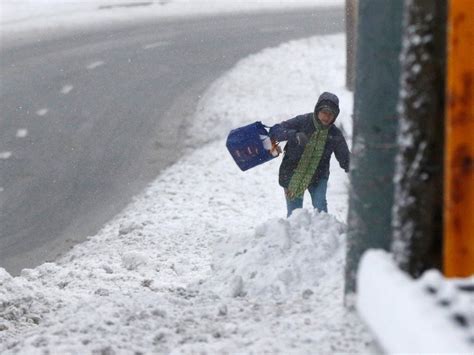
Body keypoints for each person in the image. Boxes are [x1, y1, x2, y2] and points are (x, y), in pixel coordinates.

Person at [269, 92, 350, 217]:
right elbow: (275, 130)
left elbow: (345, 158)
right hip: (293, 174)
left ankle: (323, 234)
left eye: (331, 114)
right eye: (324, 112)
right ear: (317, 110)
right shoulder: (303, 121)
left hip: (318, 176)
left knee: (321, 208)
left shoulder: (335, 134)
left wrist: (359, 172)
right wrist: (294, 135)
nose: (326, 117)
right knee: (294, 215)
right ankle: (294, 236)